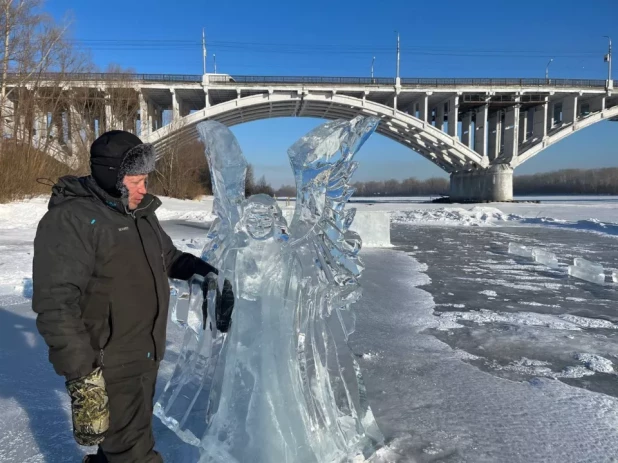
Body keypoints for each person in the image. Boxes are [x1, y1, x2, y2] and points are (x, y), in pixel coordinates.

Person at [32, 130, 232, 462]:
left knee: (119, 445)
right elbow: (55, 303)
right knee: (133, 453)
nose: (144, 188)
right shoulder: (73, 220)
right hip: (107, 364)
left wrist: (207, 273)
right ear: (113, 177)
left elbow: (167, 257)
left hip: (144, 354)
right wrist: (83, 375)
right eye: (136, 180)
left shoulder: (138, 214)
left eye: (145, 179)